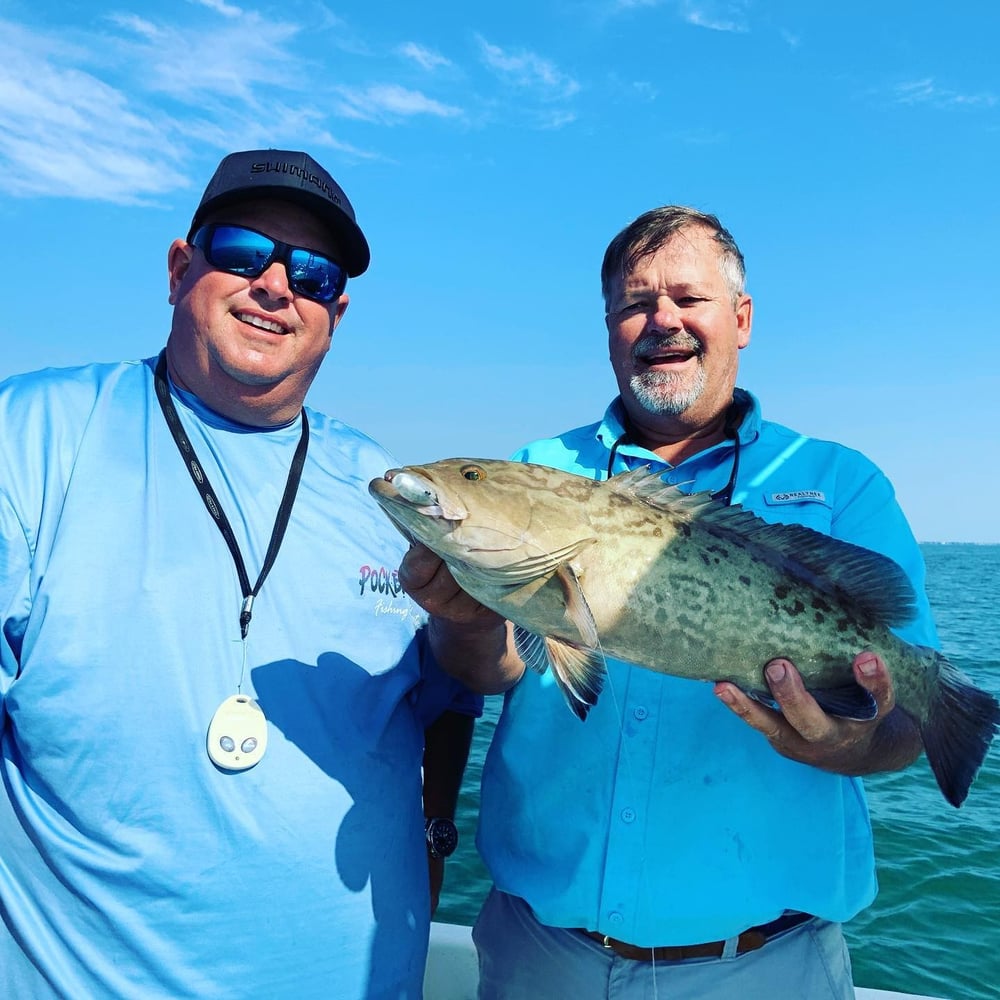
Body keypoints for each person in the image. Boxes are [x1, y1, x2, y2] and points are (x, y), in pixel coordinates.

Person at [0, 149, 504, 999]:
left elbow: (468, 682)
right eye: (242, 251)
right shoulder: (32, 438)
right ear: (178, 267)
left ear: (336, 312)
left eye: (312, 272)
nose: (277, 284)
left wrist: (470, 619)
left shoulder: (383, 484)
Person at [402, 206, 940, 999]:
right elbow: (493, 669)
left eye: (688, 298)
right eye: (634, 303)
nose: (663, 322)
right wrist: (468, 623)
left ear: (742, 319)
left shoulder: (839, 482)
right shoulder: (538, 467)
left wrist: (843, 746)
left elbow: (907, 724)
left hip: (765, 965)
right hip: (540, 954)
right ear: (609, 328)